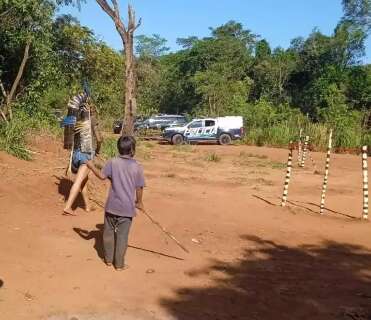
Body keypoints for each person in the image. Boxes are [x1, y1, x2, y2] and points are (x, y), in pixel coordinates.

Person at [86, 136, 145, 270]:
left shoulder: (112, 162)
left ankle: (108, 259)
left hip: (111, 206)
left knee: (108, 234)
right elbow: (139, 187)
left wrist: (91, 166)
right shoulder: (137, 167)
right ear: (132, 150)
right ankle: (119, 264)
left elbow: (102, 176)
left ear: (118, 149)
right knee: (122, 236)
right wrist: (139, 202)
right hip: (127, 209)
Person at [63, 94, 102, 215]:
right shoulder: (91, 120)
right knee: (79, 181)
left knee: (83, 180)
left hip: (75, 155)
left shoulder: (74, 120)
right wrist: (98, 149)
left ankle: (87, 206)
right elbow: (99, 139)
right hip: (86, 156)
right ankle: (68, 207)